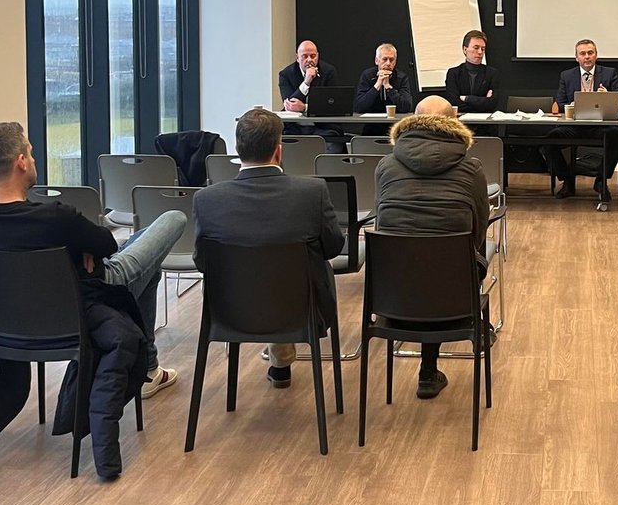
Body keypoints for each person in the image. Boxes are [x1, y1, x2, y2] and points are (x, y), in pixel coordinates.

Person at [0, 122, 188, 480]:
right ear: (20, 162)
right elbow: (106, 245)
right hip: (80, 304)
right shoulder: (56, 218)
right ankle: (150, 371)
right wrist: (81, 247)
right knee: (172, 218)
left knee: (148, 266)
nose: (33, 159)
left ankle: (152, 370)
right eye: (31, 153)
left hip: (6, 323)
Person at [192, 108, 344, 388]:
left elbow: (203, 262)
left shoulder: (207, 200)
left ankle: (280, 362)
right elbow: (333, 247)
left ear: (237, 148)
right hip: (300, 311)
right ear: (278, 151)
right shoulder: (312, 192)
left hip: (229, 312)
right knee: (294, 271)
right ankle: (281, 360)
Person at [373, 95, 490, 400]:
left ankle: (431, 367)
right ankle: (431, 367)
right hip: (453, 296)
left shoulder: (385, 166)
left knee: (420, 255)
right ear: (454, 123)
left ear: (412, 121)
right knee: (451, 258)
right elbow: (479, 230)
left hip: (392, 296)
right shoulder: (472, 168)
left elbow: (383, 224)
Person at [547, 38, 618, 210]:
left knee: (617, 137)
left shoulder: (609, 73)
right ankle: (567, 180)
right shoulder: (567, 76)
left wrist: (609, 96)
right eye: (583, 53)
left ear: (596, 55)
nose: (587, 56)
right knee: (551, 139)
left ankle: (601, 180)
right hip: (575, 127)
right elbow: (560, 102)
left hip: (600, 128)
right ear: (577, 58)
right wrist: (573, 105)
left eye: (590, 53)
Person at [278, 39, 345, 152]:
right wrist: (306, 82)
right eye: (305, 56)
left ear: (318, 56)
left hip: (323, 127)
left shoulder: (328, 72)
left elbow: (331, 105)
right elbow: (290, 104)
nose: (309, 60)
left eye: (313, 56)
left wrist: (304, 108)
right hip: (295, 127)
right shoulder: (286, 74)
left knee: (334, 145)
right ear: (297, 58)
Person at [444, 30, 499, 112]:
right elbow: (454, 103)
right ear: (465, 49)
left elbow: (492, 104)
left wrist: (466, 98)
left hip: (484, 119)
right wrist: (481, 102)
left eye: (483, 49)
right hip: (461, 118)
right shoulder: (454, 73)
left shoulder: (491, 73)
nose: (480, 52)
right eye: (476, 48)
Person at [354, 43, 415, 114]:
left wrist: (388, 87)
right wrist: (377, 85)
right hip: (372, 119)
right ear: (377, 61)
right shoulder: (367, 75)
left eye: (391, 60)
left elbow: (407, 107)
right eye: (385, 59)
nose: (388, 63)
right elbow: (359, 107)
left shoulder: (401, 78)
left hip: (396, 119)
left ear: (395, 62)